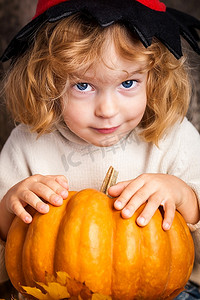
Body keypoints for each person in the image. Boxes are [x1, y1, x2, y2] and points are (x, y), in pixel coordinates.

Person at [0, 0, 200, 298]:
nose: (107, 110)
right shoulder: (28, 144)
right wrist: (9, 206)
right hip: (52, 292)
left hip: (155, 292)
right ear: (48, 82)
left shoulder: (172, 138)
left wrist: (183, 194)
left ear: (154, 78)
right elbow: (7, 238)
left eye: (128, 82)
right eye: (82, 86)